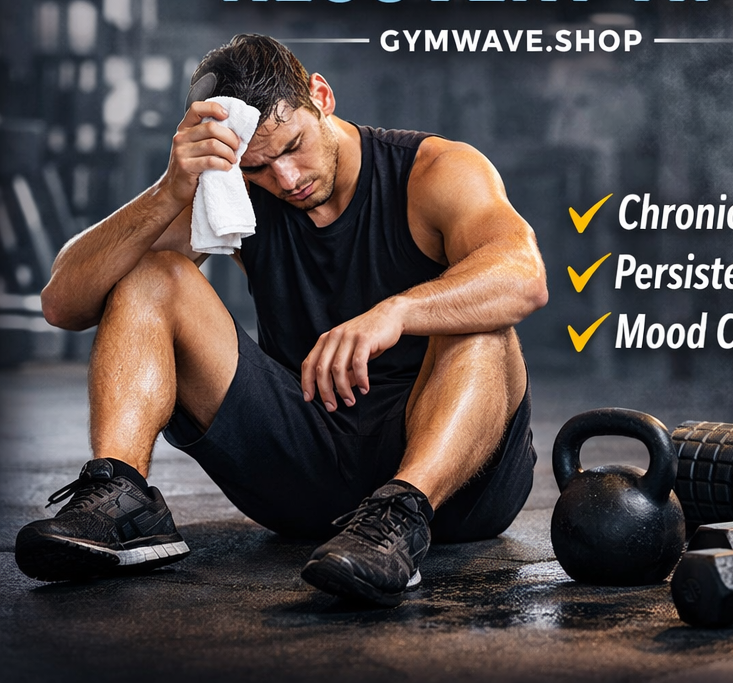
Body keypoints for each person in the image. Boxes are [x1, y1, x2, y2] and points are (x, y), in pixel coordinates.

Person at [16, 33, 547, 607]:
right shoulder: (243, 191)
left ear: (321, 96)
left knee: (484, 323)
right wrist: (171, 190)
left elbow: (524, 276)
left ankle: (400, 512)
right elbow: (63, 304)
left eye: (293, 146)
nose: (287, 179)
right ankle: (121, 496)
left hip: (459, 491)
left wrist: (400, 310)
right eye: (260, 166)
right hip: (308, 471)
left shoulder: (435, 171)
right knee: (152, 275)